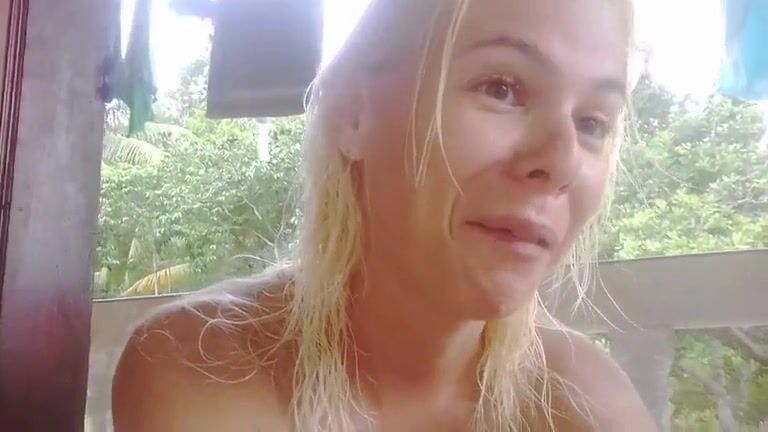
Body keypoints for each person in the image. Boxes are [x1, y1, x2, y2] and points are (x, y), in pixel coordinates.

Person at [112, 0, 658, 430]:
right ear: (355, 113)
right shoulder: (205, 366)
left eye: (592, 122)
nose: (561, 162)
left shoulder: (586, 405)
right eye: (501, 88)